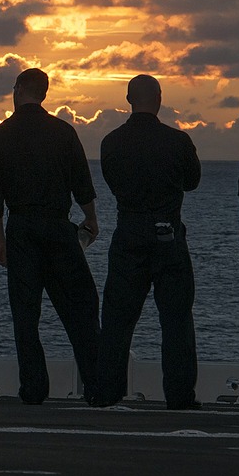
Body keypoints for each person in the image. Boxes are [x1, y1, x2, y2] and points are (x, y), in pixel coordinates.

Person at [0, 68, 100, 405]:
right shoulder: (63, 132)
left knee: (25, 314)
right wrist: (91, 219)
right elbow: (82, 183)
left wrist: (0, 241)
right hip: (58, 227)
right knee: (81, 308)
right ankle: (95, 385)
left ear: (18, 90)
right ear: (44, 93)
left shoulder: (0, 135)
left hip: (21, 229)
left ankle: (33, 388)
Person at [94, 75, 201, 410]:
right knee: (176, 319)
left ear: (128, 99)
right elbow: (193, 182)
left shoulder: (111, 142)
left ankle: (106, 390)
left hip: (129, 234)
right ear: (159, 98)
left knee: (116, 319)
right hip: (168, 236)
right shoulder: (178, 141)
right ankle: (180, 395)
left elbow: (112, 182)